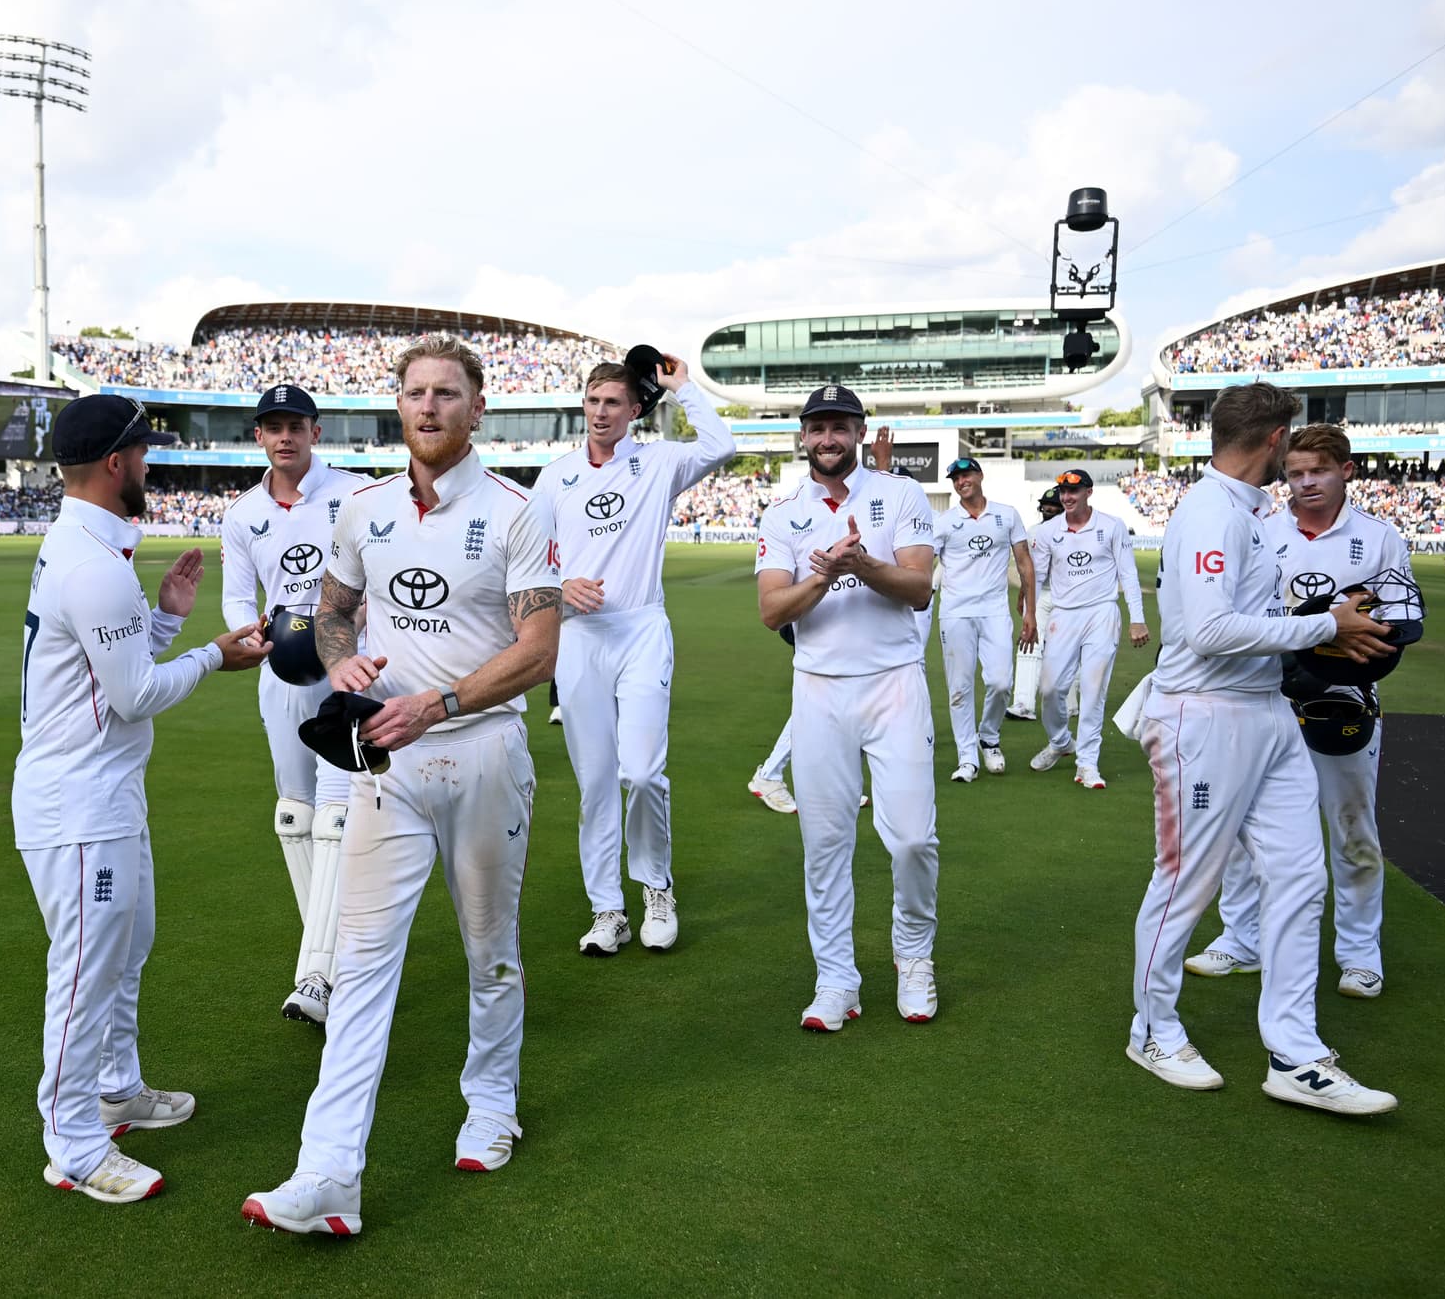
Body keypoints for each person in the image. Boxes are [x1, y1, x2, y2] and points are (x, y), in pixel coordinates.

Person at [243, 334, 560, 1236]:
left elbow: (539, 650)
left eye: (448, 394)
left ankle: (491, 1101)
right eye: (416, 392)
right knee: (361, 962)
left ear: (477, 408)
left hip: (485, 750)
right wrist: (342, 668)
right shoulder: (365, 510)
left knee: (489, 949)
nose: (429, 407)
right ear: (398, 405)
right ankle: (328, 1171)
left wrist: (442, 701)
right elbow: (334, 614)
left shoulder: (515, 512)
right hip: (386, 759)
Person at [14, 394, 270, 1203]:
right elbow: (132, 698)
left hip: (103, 793)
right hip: (78, 804)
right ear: (118, 463)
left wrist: (161, 620)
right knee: (89, 967)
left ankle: (118, 1089)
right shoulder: (93, 566)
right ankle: (74, 1140)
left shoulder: (88, 549)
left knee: (129, 944)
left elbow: (108, 674)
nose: (151, 468)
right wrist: (213, 655)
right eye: (145, 455)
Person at [1127, 381, 1399, 1115]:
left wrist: (1320, 625)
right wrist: (1325, 627)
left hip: (1266, 710)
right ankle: (1151, 1029)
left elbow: (1245, 618)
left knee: (1300, 879)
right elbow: (1209, 631)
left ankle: (1296, 1052)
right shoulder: (1211, 511)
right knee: (1186, 882)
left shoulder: (1245, 512)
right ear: (1276, 440)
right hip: (1203, 718)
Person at [1185, 423, 1412, 998]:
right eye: (1295, 473)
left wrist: (1343, 653)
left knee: (1353, 828)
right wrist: (1316, 631)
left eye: (1319, 472)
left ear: (1347, 471)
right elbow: (1238, 613)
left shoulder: (1381, 538)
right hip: (1264, 696)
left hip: (1345, 701)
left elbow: (1396, 627)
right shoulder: (1258, 528)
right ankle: (1243, 939)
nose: (1306, 483)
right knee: (1244, 828)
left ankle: (1360, 953)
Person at [532, 352, 734, 955]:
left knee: (641, 772)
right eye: (593, 401)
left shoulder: (658, 463)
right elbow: (525, 559)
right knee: (596, 784)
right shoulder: (554, 476)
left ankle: (655, 888)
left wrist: (683, 388)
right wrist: (558, 588)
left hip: (641, 630)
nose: (600, 412)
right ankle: (607, 910)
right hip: (579, 640)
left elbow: (720, 445)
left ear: (635, 410)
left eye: (613, 402)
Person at [754, 384, 938, 1032]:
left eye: (841, 426)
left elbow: (919, 588)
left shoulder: (901, 495)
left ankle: (914, 957)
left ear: (861, 432)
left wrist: (865, 562)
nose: (829, 438)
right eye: (818, 427)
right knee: (825, 842)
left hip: (894, 681)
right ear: (803, 437)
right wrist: (827, 576)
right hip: (819, 687)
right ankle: (836, 979)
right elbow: (772, 609)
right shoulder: (781, 514)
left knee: (913, 837)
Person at [220, 384, 368, 1025]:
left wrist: (360, 613)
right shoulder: (241, 513)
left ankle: (316, 976)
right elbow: (233, 596)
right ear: (259, 435)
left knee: (337, 813)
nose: (285, 436)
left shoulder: (354, 493)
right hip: (280, 670)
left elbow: (380, 572)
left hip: (346, 665)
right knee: (294, 813)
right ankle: (336, 958)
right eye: (272, 426)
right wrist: (252, 632)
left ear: (315, 430)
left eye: (296, 425)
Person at [1027, 469, 1147, 789]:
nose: (1067, 497)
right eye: (1063, 492)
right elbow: (1037, 578)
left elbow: (1129, 575)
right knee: (1050, 689)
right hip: (1063, 615)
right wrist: (1029, 617)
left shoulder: (1111, 526)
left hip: (1102, 614)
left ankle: (1087, 764)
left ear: (1088, 492)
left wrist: (1137, 619)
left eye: (1074, 492)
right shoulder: (1050, 530)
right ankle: (1061, 741)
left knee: (1093, 691)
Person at [930, 457, 1036, 781]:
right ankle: (967, 758)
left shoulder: (1006, 514)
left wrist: (1030, 612)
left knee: (1001, 681)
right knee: (960, 687)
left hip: (994, 610)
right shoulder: (945, 522)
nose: (962, 482)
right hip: (956, 612)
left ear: (979, 476)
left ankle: (988, 737)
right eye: (956, 479)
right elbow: (923, 565)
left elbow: (1025, 562)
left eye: (967, 475)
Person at [1007, 486, 1067, 721]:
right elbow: (1028, 569)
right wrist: (1023, 594)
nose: (1049, 509)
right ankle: (1023, 703)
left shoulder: (1076, 532)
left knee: (1066, 650)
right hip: (1040, 594)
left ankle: (1066, 702)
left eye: (1054, 506)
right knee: (1028, 643)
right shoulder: (1032, 532)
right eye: (1046, 505)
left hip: (1068, 598)